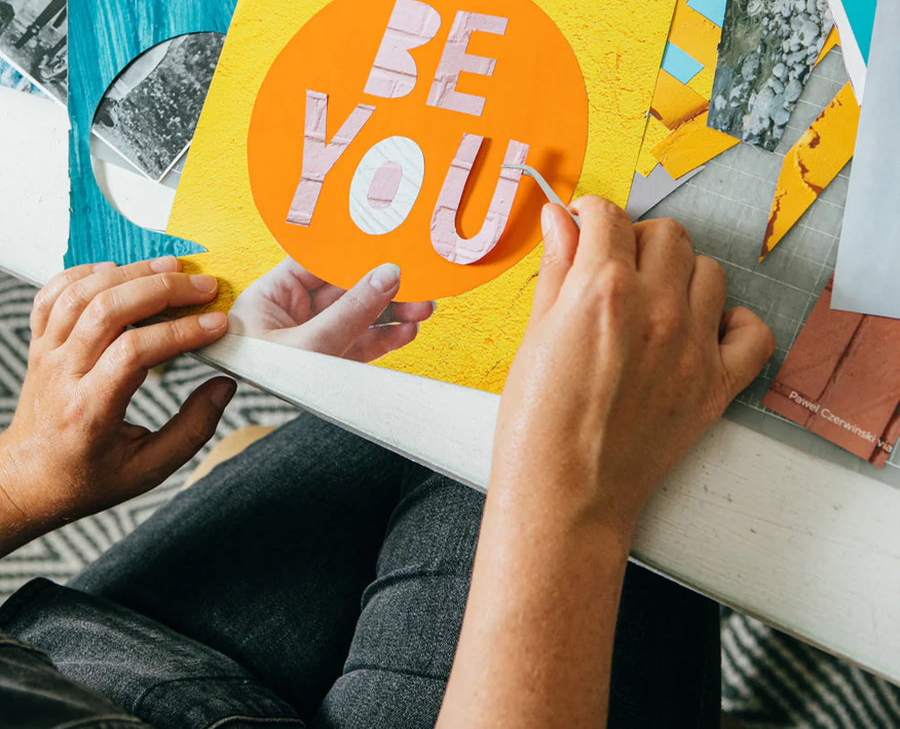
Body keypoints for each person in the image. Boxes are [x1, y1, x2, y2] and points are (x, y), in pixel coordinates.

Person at [0, 197, 774, 727]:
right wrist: (573, 500)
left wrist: (20, 481)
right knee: (620, 369)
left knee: (570, 362)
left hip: (88, 666)